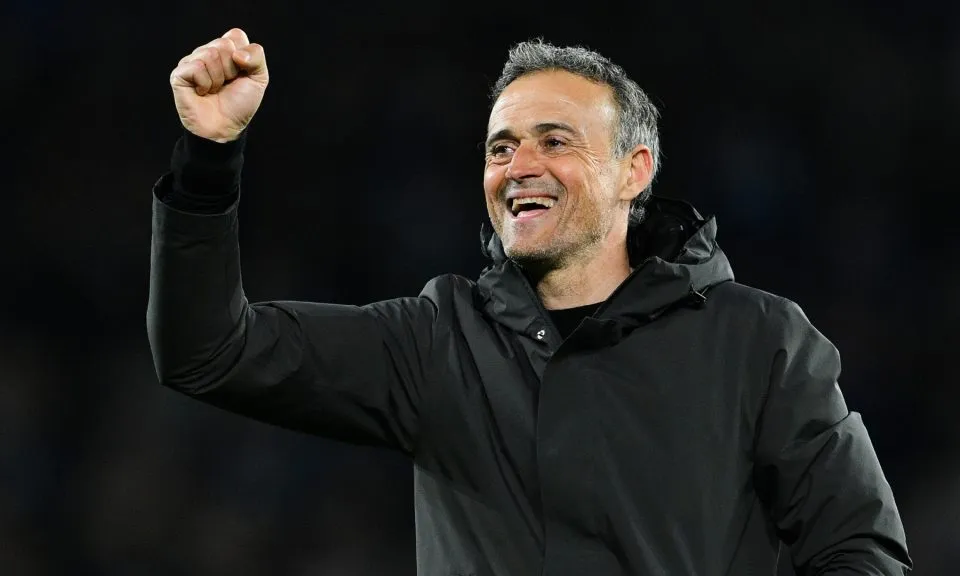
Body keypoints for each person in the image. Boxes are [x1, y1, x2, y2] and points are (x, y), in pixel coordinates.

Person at [147, 27, 912, 575]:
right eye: (501, 146)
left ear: (633, 171)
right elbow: (208, 351)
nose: (520, 166)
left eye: (555, 141)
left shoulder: (758, 340)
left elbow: (861, 548)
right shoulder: (437, 341)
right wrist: (210, 160)